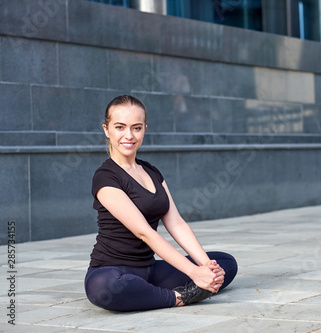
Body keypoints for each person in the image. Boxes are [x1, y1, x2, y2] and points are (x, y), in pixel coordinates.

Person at [84, 95, 237, 311]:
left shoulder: (152, 172)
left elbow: (176, 223)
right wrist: (194, 273)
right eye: (120, 127)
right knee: (105, 289)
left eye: (136, 128)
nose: (129, 135)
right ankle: (179, 297)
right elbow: (144, 232)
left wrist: (206, 266)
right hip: (111, 270)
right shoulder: (106, 177)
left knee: (225, 263)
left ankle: (155, 294)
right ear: (106, 129)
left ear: (145, 128)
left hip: (150, 270)